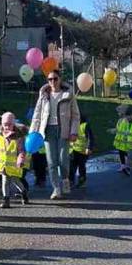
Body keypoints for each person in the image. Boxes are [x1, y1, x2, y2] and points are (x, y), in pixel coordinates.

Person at [29, 69, 81, 199]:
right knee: (51, 162)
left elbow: (75, 116)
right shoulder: (44, 95)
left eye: (55, 79)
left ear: (60, 79)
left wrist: (74, 131)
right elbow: (37, 115)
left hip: (63, 130)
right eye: (50, 79)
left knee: (63, 160)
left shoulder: (68, 95)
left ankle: (65, 180)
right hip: (47, 130)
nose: (52, 81)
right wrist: (33, 132)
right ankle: (56, 188)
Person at [68, 117, 93, 189]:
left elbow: (90, 138)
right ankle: (71, 181)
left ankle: (82, 182)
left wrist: (89, 148)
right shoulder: (72, 125)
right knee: (71, 167)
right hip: (72, 150)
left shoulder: (85, 126)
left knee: (81, 167)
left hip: (82, 151)